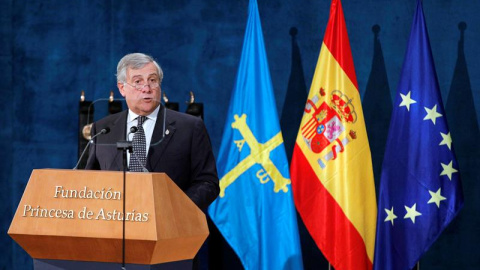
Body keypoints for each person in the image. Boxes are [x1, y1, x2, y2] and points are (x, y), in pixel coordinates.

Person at [85, 53, 219, 209]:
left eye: (152, 80)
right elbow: (90, 182)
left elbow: (207, 182)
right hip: (115, 225)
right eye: (138, 82)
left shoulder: (189, 127)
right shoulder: (103, 129)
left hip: (171, 225)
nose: (146, 88)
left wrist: (177, 210)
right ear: (122, 88)